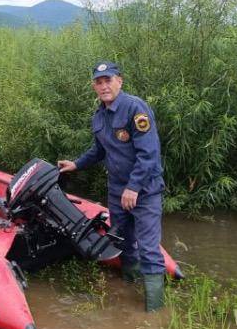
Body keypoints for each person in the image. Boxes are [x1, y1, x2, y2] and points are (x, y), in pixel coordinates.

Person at [57, 61, 166, 312]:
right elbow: (99, 150)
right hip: (117, 191)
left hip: (144, 191)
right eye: (99, 81)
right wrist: (76, 164)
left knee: (148, 248)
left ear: (120, 81)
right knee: (124, 242)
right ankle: (130, 286)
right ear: (94, 86)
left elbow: (149, 154)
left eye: (108, 80)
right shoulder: (99, 115)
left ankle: (155, 314)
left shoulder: (134, 109)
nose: (104, 86)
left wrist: (134, 187)